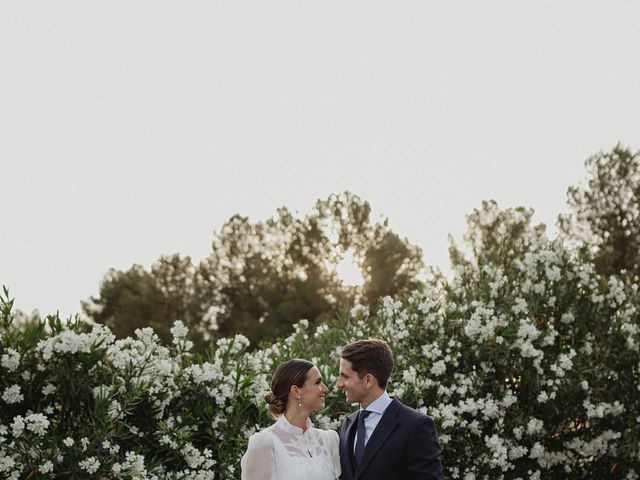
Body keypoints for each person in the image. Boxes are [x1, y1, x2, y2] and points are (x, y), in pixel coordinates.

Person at [336, 339, 444, 480]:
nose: (339, 384)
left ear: (368, 380)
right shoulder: (348, 424)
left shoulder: (416, 426)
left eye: (345, 376)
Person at [241, 359, 341, 480]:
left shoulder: (329, 439)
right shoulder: (266, 442)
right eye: (318, 382)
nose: (325, 389)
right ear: (296, 391)